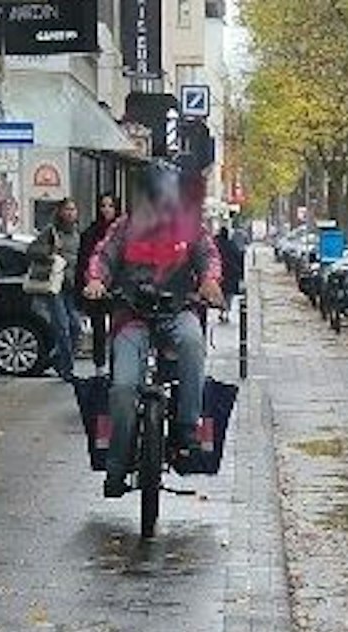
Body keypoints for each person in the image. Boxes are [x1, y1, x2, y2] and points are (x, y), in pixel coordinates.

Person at [83, 162, 223, 499]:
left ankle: (187, 427)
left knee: (192, 342)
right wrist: (97, 280)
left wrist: (208, 281)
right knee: (123, 387)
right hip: (132, 315)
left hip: (177, 310)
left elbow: (208, 255)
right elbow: (103, 256)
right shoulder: (124, 227)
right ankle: (116, 469)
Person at [30, 197, 83, 379]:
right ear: (60, 212)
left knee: (76, 325)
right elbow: (32, 250)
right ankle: (66, 370)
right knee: (62, 326)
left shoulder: (78, 234)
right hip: (56, 285)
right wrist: (50, 252)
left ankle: (57, 356)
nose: (70, 213)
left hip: (72, 285)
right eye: (67, 209)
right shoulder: (50, 231)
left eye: (73, 209)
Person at [77, 193, 121, 374]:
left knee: (119, 328)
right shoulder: (91, 232)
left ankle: (117, 363)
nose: (106, 210)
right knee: (98, 327)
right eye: (103, 205)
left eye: (110, 206)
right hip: (96, 287)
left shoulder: (123, 232)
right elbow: (85, 260)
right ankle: (100, 366)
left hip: (118, 288)